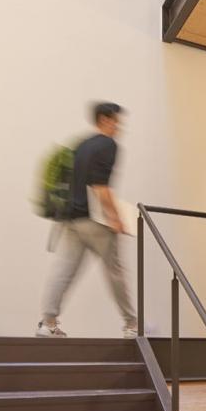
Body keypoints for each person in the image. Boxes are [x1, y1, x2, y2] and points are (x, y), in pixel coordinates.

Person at [36, 102, 137, 339]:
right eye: (116, 121)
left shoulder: (81, 145)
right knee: (115, 271)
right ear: (105, 120)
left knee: (64, 270)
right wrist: (116, 219)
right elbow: (100, 187)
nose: (119, 127)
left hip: (71, 219)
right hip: (94, 221)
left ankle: (48, 323)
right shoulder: (107, 145)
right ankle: (132, 325)